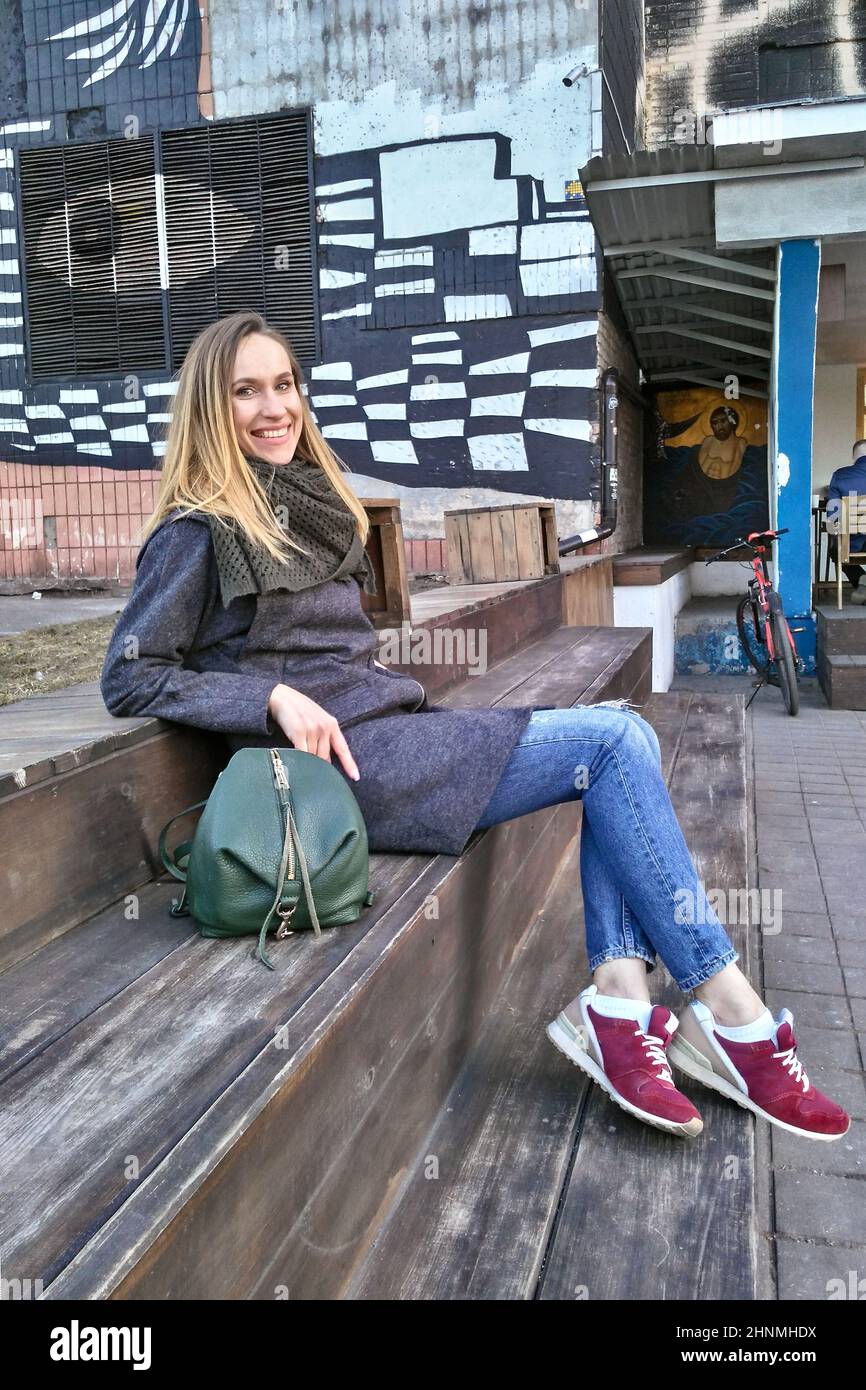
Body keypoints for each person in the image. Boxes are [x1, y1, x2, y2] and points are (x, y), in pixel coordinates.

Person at [101, 310, 849, 1144]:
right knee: (614, 741)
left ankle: (623, 1004)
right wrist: (268, 699)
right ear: (212, 406)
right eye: (247, 391)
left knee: (611, 746)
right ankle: (729, 1014)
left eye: (285, 384)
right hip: (340, 774)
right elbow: (130, 674)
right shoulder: (196, 533)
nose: (275, 407)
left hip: (393, 733)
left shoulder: (311, 500)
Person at [826, 439, 866, 603]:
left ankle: (862, 579)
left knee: (836, 550)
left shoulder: (840, 475)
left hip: (853, 543)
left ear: (853, 456)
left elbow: (833, 516)